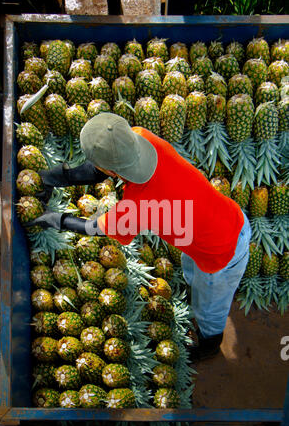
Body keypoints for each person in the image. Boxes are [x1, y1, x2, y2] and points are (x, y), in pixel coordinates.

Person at [26, 113, 251, 362]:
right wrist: (54, 177)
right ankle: (205, 292)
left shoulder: (139, 205)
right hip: (226, 216)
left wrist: (53, 219)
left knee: (209, 308)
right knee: (193, 270)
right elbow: (103, 169)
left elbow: (94, 227)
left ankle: (210, 343)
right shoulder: (142, 137)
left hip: (222, 252)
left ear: (111, 169)